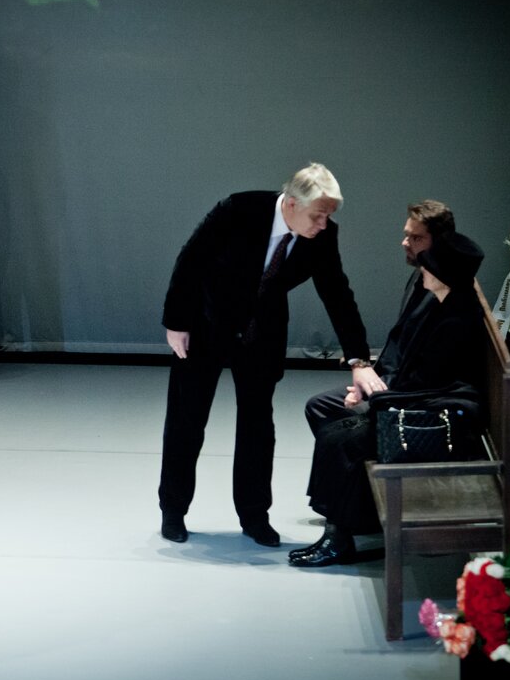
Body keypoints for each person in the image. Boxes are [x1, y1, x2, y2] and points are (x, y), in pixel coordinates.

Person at [158, 163, 381, 547]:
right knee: (186, 419)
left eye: (329, 216)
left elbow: (337, 294)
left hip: (261, 333)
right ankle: (173, 510)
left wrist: (358, 360)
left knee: (258, 427)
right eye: (318, 215)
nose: (323, 224)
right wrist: (176, 322)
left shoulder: (322, 236)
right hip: (206, 323)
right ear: (292, 203)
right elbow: (191, 260)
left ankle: (254, 516)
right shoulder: (238, 210)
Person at [290, 231, 487, 567]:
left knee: (340, 440)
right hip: (414, 401)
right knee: (331, 422)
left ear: (443, 276)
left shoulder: (455, 321)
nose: (422, 270)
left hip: (432, 419)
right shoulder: (440, 302)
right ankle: (353, 514)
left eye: (428, 267)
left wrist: (377, 398)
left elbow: (430, 387)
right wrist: (369, 389)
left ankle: (338, 539)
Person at [304, 200, 455, 433]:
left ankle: (364, 448)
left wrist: (374, 391)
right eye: (406, 235)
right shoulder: (421, 276)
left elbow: (424, 369)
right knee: (320, 407)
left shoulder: (440, 293)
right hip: (393, 380)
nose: (405, 243)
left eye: (416, 238)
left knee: (324, 411)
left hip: (410, 394)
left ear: (440, 243)